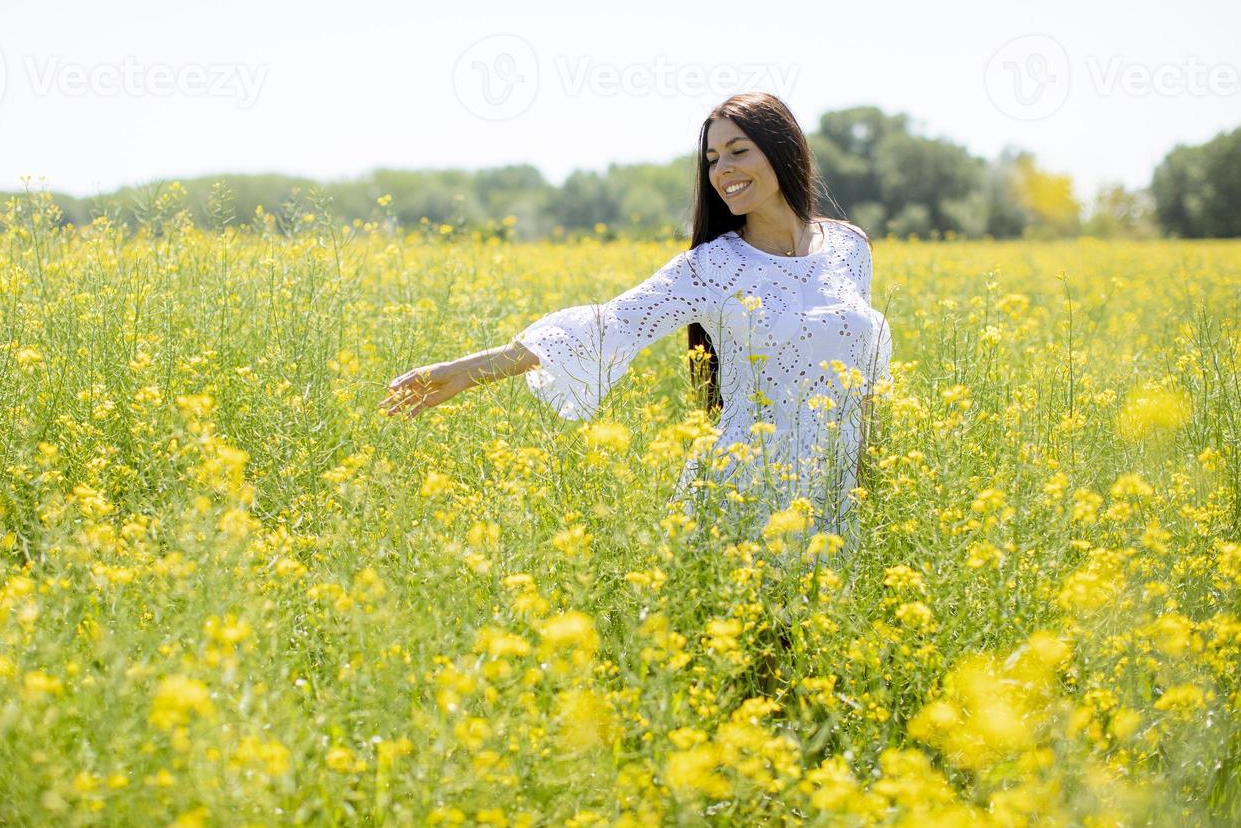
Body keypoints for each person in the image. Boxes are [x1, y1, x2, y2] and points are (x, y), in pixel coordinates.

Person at [379, 92, 893, 550]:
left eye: (739, 151)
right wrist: (473, 369)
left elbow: (866, 378)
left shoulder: (849, 247)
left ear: (783, 150)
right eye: (712, 158)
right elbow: (612, 324)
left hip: (834, 494)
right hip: (743, 490)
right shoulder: (712, 265)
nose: (723, 170)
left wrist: (875, 482)